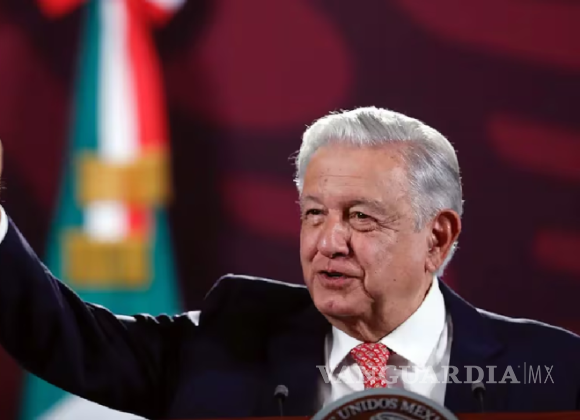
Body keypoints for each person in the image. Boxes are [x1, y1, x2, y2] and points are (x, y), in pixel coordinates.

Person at [0, 107, 578, 419]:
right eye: (314, 214)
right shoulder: (233, 336)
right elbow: (67, 338)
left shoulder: (555, 371)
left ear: (438, 237)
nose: (328, 243)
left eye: (360, 217)